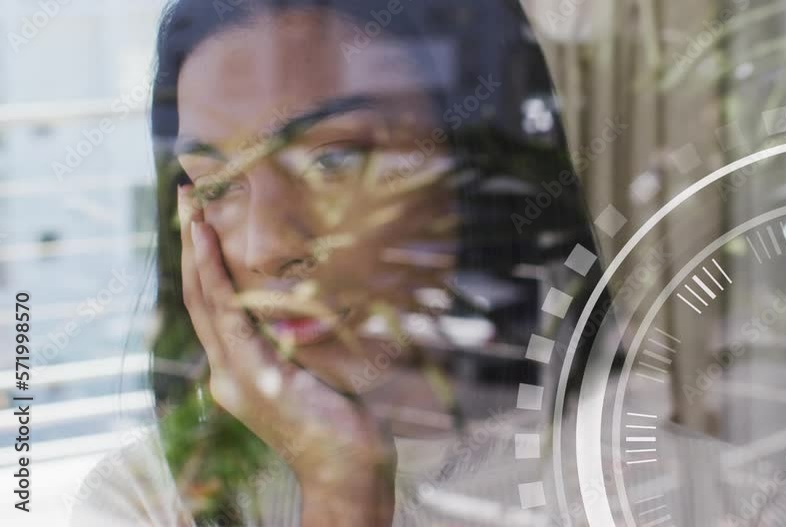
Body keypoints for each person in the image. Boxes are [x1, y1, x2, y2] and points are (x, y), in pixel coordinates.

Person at [71, 0, 606, 525]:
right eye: (218, 185)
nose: (266, 248)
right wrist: (342, 490)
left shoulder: (630, 481)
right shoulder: (138, 501)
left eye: (334, 159)